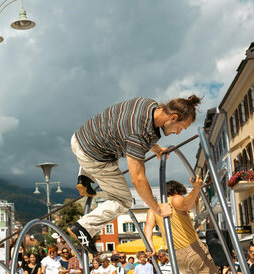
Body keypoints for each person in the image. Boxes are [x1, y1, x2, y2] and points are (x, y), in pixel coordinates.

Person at [68, 96, 202, 254]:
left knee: (114, 149)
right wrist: (157, 208)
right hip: (94, 157)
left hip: (81, 138)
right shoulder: (137, 135)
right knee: (122, 200)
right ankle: (83, 227)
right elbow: (138, 179)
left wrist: (156, 148)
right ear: (173, 118)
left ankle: (85, 175)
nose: (178, 133)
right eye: (180, 128)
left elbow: (133, 131)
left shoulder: (148, 104)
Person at [143, 178, 226, 274]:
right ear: (175, 191)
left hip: (175, 257)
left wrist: (151, 247)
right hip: (193, 250)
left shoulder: (154, 208)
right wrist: (197, 188)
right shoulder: (175, 199)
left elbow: (148, 228)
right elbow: (187, 203)